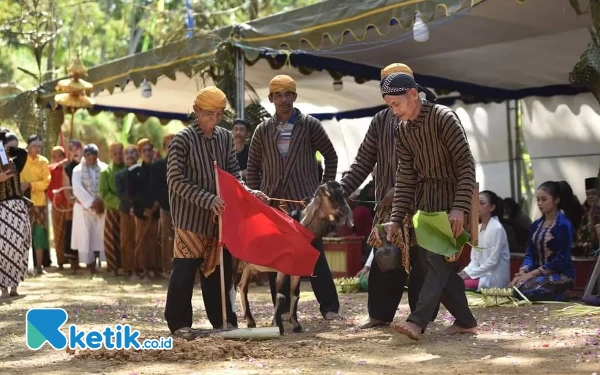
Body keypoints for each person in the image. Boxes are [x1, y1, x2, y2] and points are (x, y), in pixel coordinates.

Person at [379, 72, 478, 341]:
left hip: (452, 200)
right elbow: (406, 177)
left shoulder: (444, 118)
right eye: (389, 106)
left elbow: (466, 166)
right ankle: (466, 321)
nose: (393, 110)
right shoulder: (403, 130)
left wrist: (459, 208)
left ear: (413, 94)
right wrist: (396, 218)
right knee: (431, 264)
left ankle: (417, 321)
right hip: (425, 204)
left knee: (435, 260)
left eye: (396, 103)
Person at [164, 86, 268, 337]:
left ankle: (223, 321)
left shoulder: (224, 137)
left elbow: (233, 174)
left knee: (218, 273)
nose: (214, 118)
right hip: (190, 219)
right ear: (196, 111)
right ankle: (179, 324)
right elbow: (175, 180)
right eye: (209, 113)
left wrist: (249, 193)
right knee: (185, 271)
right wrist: (207, 198)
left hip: (218, 219)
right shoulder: (182, 139)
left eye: (219, 113)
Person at [344, 63, 438, 329]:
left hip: (422, 202)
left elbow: (435, 163)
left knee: (422, 262)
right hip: (388, 206)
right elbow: (363, 162)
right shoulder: (380, 120)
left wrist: (401, 189)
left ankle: (421, 319)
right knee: (386, 260)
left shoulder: (428, 116)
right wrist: (342, 190)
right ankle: (379, 315)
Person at [247, 74, 340, 320]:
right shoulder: (262, 130)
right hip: (274, 204)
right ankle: (284, 309)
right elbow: (253, 166)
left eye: (288, 94)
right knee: (277, 258)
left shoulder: (310, 125)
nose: (284, 99)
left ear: (295, 97)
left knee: (313, 253)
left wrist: (324, 190)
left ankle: (329, 308)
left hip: (306, 204)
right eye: (278, 95)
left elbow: (331, 157)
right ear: (271, 99)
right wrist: (258, 197)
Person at [510, 181, 576, 301]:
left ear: (556, 200)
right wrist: (522, 272)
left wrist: (531, 274)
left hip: (561, 274)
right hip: (537, 274)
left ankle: (562, 294)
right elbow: (530, 253)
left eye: (544, 199)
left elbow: (561, 259)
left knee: (528, 291)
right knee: (515, 289)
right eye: (538, 200)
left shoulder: (564, 224)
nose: (540, 203)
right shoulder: (536, 225)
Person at [0, 129, 31, 298]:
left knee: (18, 246)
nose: (11, 152)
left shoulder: (16, 161)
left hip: (16, 206)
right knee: (2, 249)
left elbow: (23, 154)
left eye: (14, 148)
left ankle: (14, 286)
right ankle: (3, 287)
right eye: (8, 148)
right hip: (1, 208)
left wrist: (7, 149)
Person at [459, 190, 510, 290]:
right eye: (476, 203)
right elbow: (475, 260)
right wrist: (465, 272)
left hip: (494, 277)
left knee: (458, 285)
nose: (477, 206)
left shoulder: (497, 228)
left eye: (482, 203)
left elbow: (492, 262)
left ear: (492, 207)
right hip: (481, 274)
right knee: (455, 280)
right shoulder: (478, 227)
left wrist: (469, 274)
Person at [71, 144, 107, 275]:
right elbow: (77, 188)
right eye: (88, 157)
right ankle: (89, 263)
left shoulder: (104, 168)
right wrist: (91, 203)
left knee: (99, 235)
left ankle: (102, 262)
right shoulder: (77, 170)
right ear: (84, 157)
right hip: (83, 208)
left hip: (101, 208)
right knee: (85, 236)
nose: (91, 159)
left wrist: (100, 202)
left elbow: (106, 185)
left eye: (93, 156)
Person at [129, 138, 161, 282]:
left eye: (150, 150)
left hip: (156, 211)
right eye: (144, 151)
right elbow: (133, 193)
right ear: (140, 153)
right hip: (141, 212)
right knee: (140, 241)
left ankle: (153, 269)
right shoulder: (134, 171)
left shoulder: (159, 169)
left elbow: (161, 189)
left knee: (153, 242)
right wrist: (145, 208)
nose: (148, 153)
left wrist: (155, 205)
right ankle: (141, 271)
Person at [20, 135, 51, 275]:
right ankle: (23, 267)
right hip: (24, 202)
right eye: (34, 146)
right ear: (28, 146)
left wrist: (31, 184)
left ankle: (39, 266)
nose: (37, 148)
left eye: (39, 146)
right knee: (23, 234)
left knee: (39, 234)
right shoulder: (20, 160)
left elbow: (46, 182)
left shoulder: (43, 161)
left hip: (39, 202)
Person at [99, 142, 125, 275]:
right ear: (110, 155)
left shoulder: (129, 168)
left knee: (125, 238)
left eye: (120, 153)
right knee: (111, 239)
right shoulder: (105, 171)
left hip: (127, 211)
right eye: (115, 154)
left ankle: (126, 266)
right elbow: (104, 192)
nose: (118, 156)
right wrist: (118, 203)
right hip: (112, 210)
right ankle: (112, 267)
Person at [151, 134, 175, 276]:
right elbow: (155, 188)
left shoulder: (186, 164)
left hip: (183, 209)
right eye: (169, 145)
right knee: (166, 239)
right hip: (165, 208)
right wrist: (167, 202)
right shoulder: (158, 166)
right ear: (164, 148)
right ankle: (167, 269)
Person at [115, 145, 138, 279]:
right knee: (127, 240)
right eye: (127, 154)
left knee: (140, 240)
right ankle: (129, 269)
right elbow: (121, 193)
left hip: (142, 213)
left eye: (132, 153)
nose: (129, 156)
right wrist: (132, 205)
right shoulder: (119, 175)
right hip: (126, 211)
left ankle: (141, 268)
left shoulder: (142, 171)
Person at [47, 146, 69, 269]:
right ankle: (60, 260)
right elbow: (48, 187)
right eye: (54, 156)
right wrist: (55, 198)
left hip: (69, 204)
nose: (56, 158)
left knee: (69, 231)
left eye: (59, 155)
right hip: (57, 204)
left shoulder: (68, 168)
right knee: (58, 232)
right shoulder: (50, 169)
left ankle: (70, 258)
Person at [63, 140, 83, 271]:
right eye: (71, 149)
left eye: (77, 148)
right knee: (71, 231)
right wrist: (74, 201)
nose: (75, 151)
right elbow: (66, 189)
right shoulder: (67, 168)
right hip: (73, 205)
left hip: (87, 206)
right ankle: (73, 263)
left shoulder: (88, 166)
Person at [574, 177, 600, 256]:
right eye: (587, 194)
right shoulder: (586, 214)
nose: (590, 196)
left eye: (593, 193)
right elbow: (579, 238)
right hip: (587, 258)